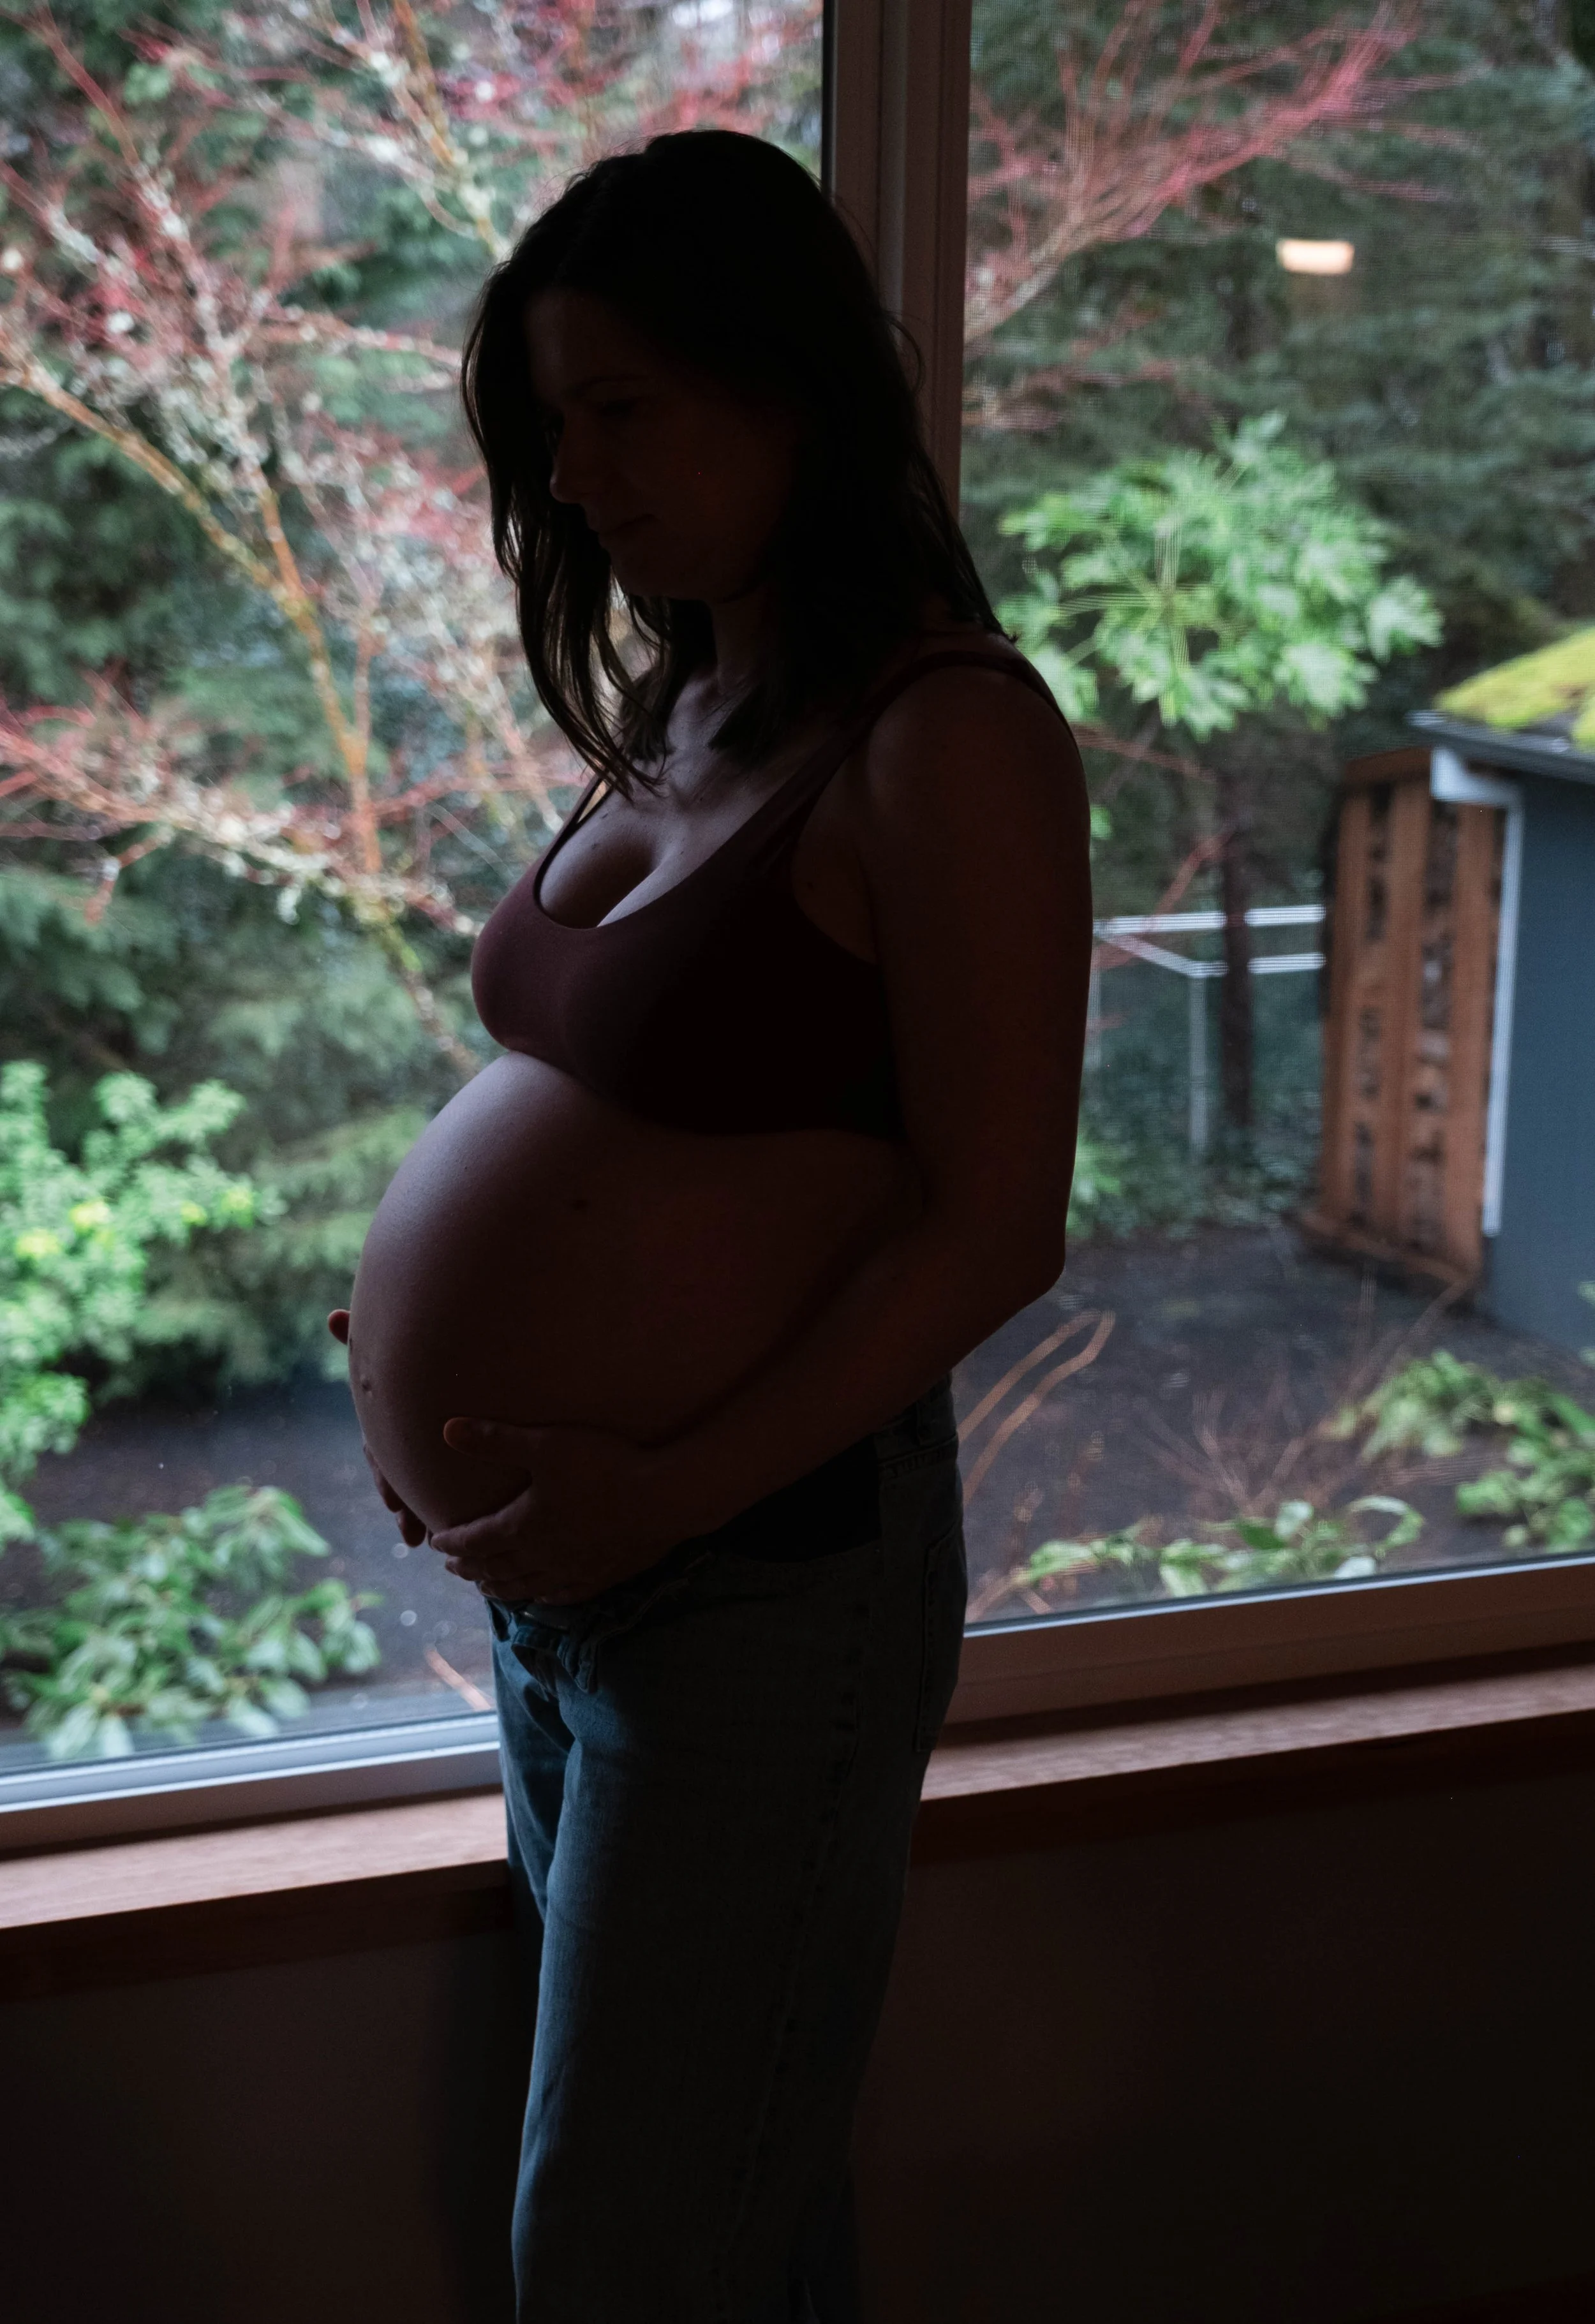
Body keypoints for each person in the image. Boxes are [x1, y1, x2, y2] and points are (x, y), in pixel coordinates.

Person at [331, 129, 1090, 2323]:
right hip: (584, 1594)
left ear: (785, 390)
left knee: (627, 2254)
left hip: (757, 1588)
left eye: (619, 409)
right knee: (720, 2211)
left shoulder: (947, 737)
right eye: (548, 429)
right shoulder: (693, 703)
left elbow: (991, 1228)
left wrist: (651, 1478)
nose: (574, 478)